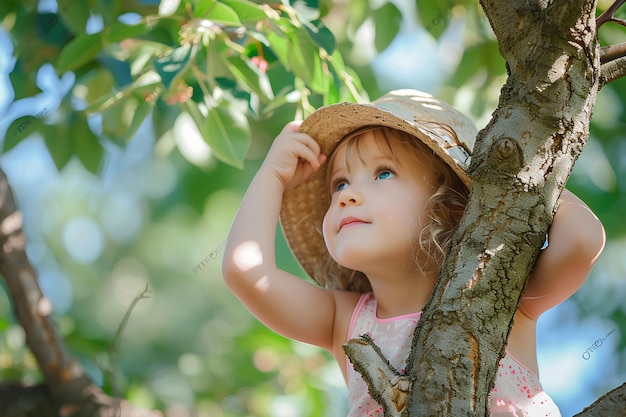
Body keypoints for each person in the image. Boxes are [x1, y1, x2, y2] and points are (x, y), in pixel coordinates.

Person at [221, 90, 605, 416]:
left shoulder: (500, 293)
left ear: (452, 204)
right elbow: (246, 272)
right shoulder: (344, 321)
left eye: (383, 173)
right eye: (339, 183)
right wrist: (271, 176)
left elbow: (582, 241)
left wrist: (518, 179)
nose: (346, 196)